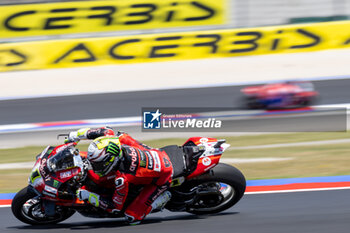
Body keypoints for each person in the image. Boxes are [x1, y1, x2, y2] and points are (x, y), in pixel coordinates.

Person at [67, 127, 173, 225]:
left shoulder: (122, 179)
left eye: (97, 164)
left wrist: (89, 195)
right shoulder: (116, 139)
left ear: (111, 160)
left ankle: (162, 198)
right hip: (157, 154)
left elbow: (115, 207)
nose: (93, 166)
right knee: (123, 136)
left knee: (132, 217)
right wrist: (76, 135)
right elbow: (105, 130)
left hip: (163, 177)